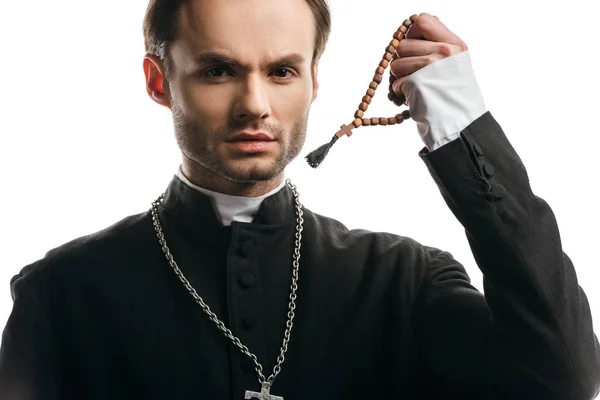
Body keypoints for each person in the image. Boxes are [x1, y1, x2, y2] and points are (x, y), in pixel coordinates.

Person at [0, 0, 598, 398]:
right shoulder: (62, 292)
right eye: (218, 71)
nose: (255, 104)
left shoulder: (405, 280)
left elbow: (566, 379)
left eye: (282, 72)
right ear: (160, 82)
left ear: (315, 82)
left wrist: (461, 126)